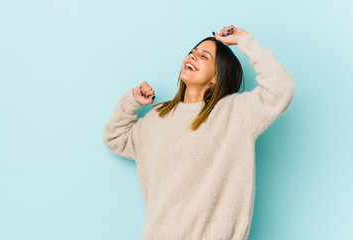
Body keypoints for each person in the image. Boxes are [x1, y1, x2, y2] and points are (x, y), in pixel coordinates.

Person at [102, 25, 295, 240]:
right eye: (192, 52)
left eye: (204, 56)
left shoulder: (236, 113)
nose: (192, 56)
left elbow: (281, 89)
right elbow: (115, 139)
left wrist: (245, 41)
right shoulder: (158, 118)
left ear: (216, 77)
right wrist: (131, 103)